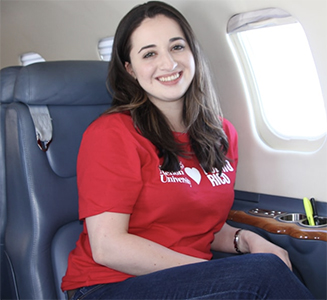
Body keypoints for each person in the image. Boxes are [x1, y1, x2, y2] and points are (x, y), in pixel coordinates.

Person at [61, 1, 314, 299]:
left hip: (181, 278)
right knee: (260, 275)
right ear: (129, 69)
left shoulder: (220, 134)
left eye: (177, 47)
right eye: (150, 54)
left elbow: (204, 229)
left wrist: (246, 240)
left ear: (193, 53)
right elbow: (108, 247)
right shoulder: (113, 133)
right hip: (109, 286)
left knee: (278, 263)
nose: (168, 64)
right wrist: (212, 273)